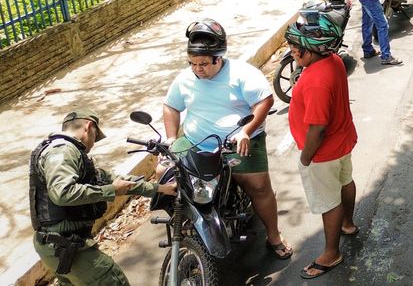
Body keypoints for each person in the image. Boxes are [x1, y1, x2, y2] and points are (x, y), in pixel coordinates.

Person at [163, 20, 293, 260]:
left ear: (218, 58)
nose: (197, 69)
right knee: (171, 182)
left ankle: (274, 235)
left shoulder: (242, 74)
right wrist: (171, 138)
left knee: (259, 187)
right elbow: (171, 106)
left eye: (203, 64)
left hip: (239, 142)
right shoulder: (184, 79)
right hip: (195, 143)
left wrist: (246, 131)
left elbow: (264, 101)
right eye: (192, 63)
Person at [31, 109, 177, 285]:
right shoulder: (62, 151)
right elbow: (63, 193)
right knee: (114, 280)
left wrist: (161, 188)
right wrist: (111, 191)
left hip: (62, 244)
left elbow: (117, 180)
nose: (94, 143)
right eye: (95, 137)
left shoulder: (73, 154)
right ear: (89, 127)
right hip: (66, 244)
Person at [283, 23, 359, 280]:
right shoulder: (333, 60)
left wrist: (306, 158)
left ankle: (331, 253)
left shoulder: (315, 81)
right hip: (343, 140)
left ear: (309, 51)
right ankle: (348, 224)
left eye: (295, 47)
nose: (292, 51)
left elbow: (317, 127)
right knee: (345, 181)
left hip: (323, 153)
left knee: (329, 202)